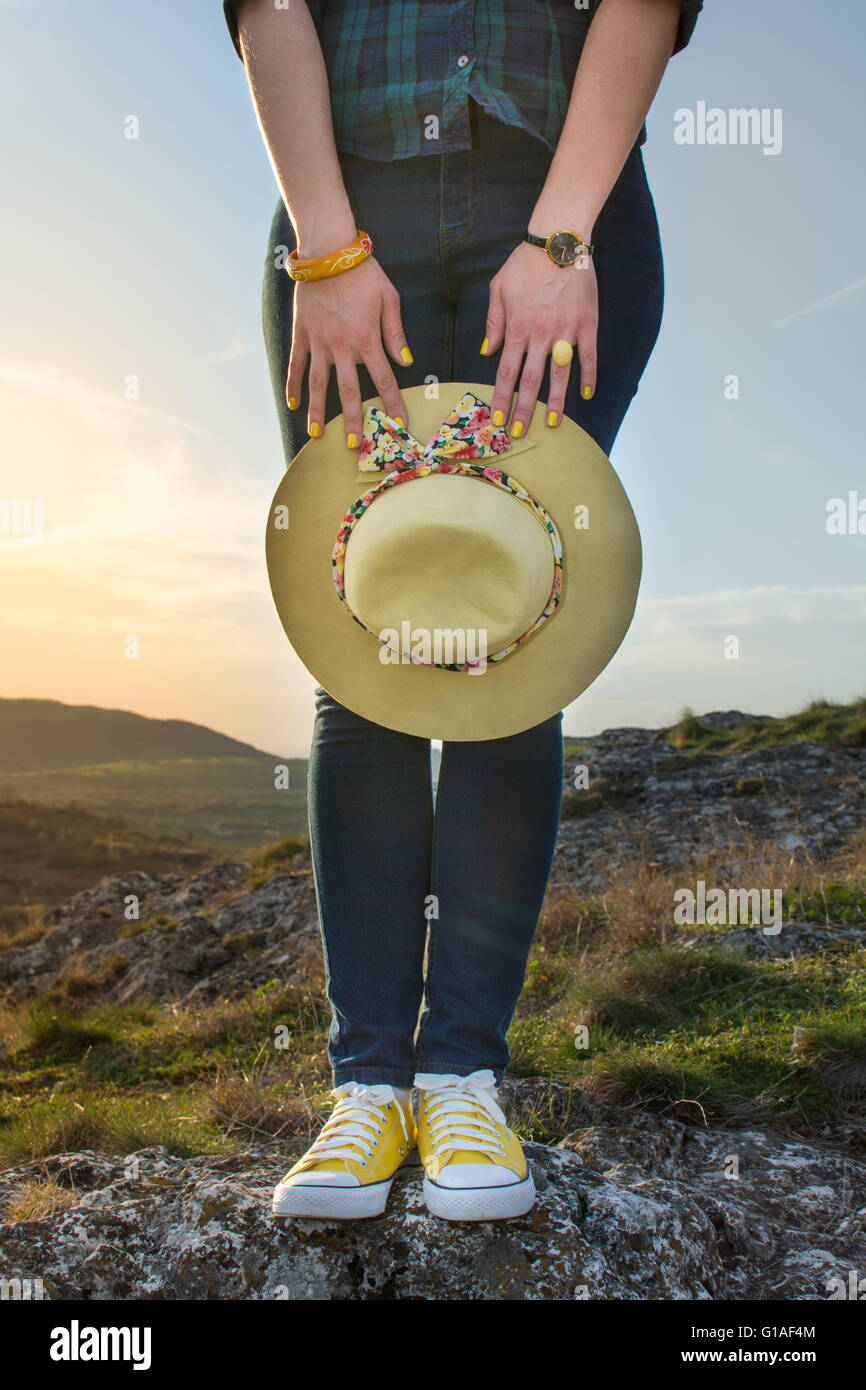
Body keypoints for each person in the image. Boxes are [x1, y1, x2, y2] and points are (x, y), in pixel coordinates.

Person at [223, 0, 702, 1222]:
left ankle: (462, 1075)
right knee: (369, 637)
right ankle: (367, 1084)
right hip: (347, 213)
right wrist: (327, 254)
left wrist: (557, 244)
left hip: (565, 215)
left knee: (506, 639)